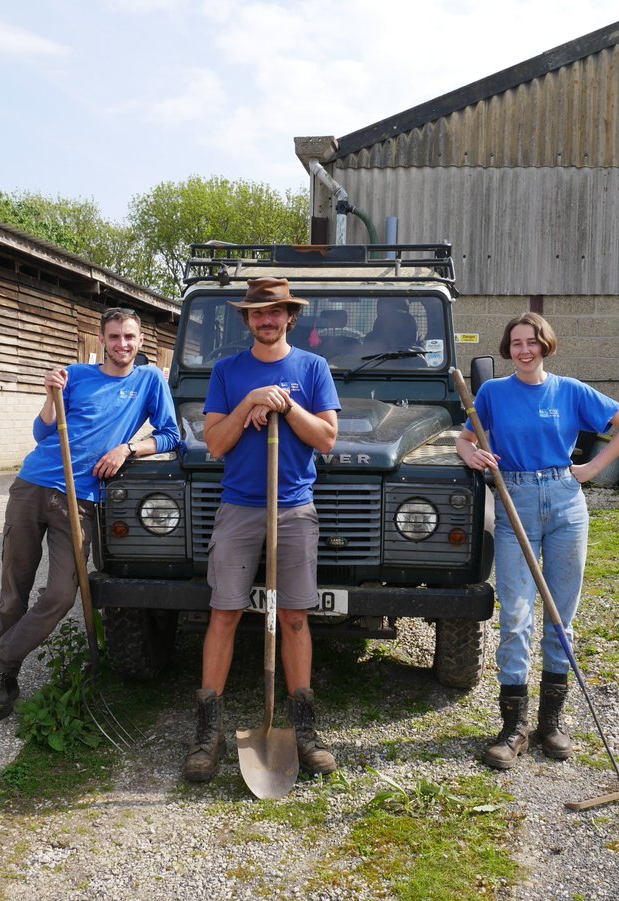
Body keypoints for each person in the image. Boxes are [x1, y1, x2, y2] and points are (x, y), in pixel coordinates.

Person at [456, 312, 619, 770]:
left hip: (565, 503)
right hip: (514, 499)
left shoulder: (571, 391)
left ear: (546, 345)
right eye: (516, 343)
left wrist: (592, 469)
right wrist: (471, 453)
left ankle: (551, 723)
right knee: (516, 615)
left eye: (532, 342)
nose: (524, 350)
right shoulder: (493, 393)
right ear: (508, 349)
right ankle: (513, 727)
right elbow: (465, 439)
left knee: (561, 617)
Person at [0, 308, 180, 720]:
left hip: (81, 499)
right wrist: (51, 395)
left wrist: (127, 449)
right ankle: (3, 676)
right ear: (102, 340)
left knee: (61, 594)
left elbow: (171, 435)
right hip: (34, 485)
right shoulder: (75, 375)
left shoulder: (150, 381)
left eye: (130, 337)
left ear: (141, 342)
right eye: (114, 336)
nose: (122, 344)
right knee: (15, 587)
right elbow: (42, 432)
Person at [183, 276, 341, 783]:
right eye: (257, 313)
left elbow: (327, 439)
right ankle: (207, 732)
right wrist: (250, 400)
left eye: (275, 312)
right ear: (247, 319)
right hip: (239, 507)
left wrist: (286, 406)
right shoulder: (228, 372)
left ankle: (304, 730)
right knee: (224, 613)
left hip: (294, 508)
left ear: (290, 317)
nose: (266, 320)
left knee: (294, 618)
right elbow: (216, 443)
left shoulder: (312, 368)